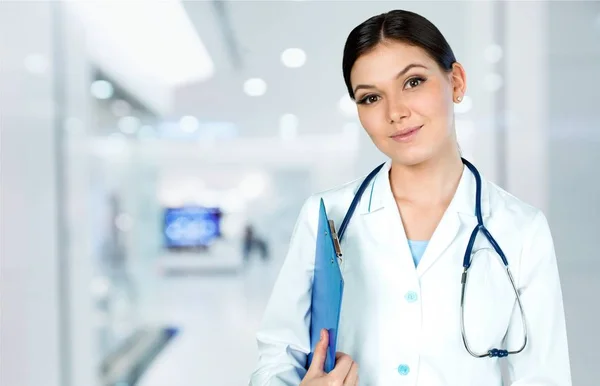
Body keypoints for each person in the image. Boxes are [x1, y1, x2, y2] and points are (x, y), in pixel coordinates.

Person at [249, 9, 571, 386]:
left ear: (456, 82)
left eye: (413, 82)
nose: (396, 112)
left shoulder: (520, 229)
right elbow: (276, 355)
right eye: (370, 98)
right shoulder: (326, 216)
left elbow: (544, 376)